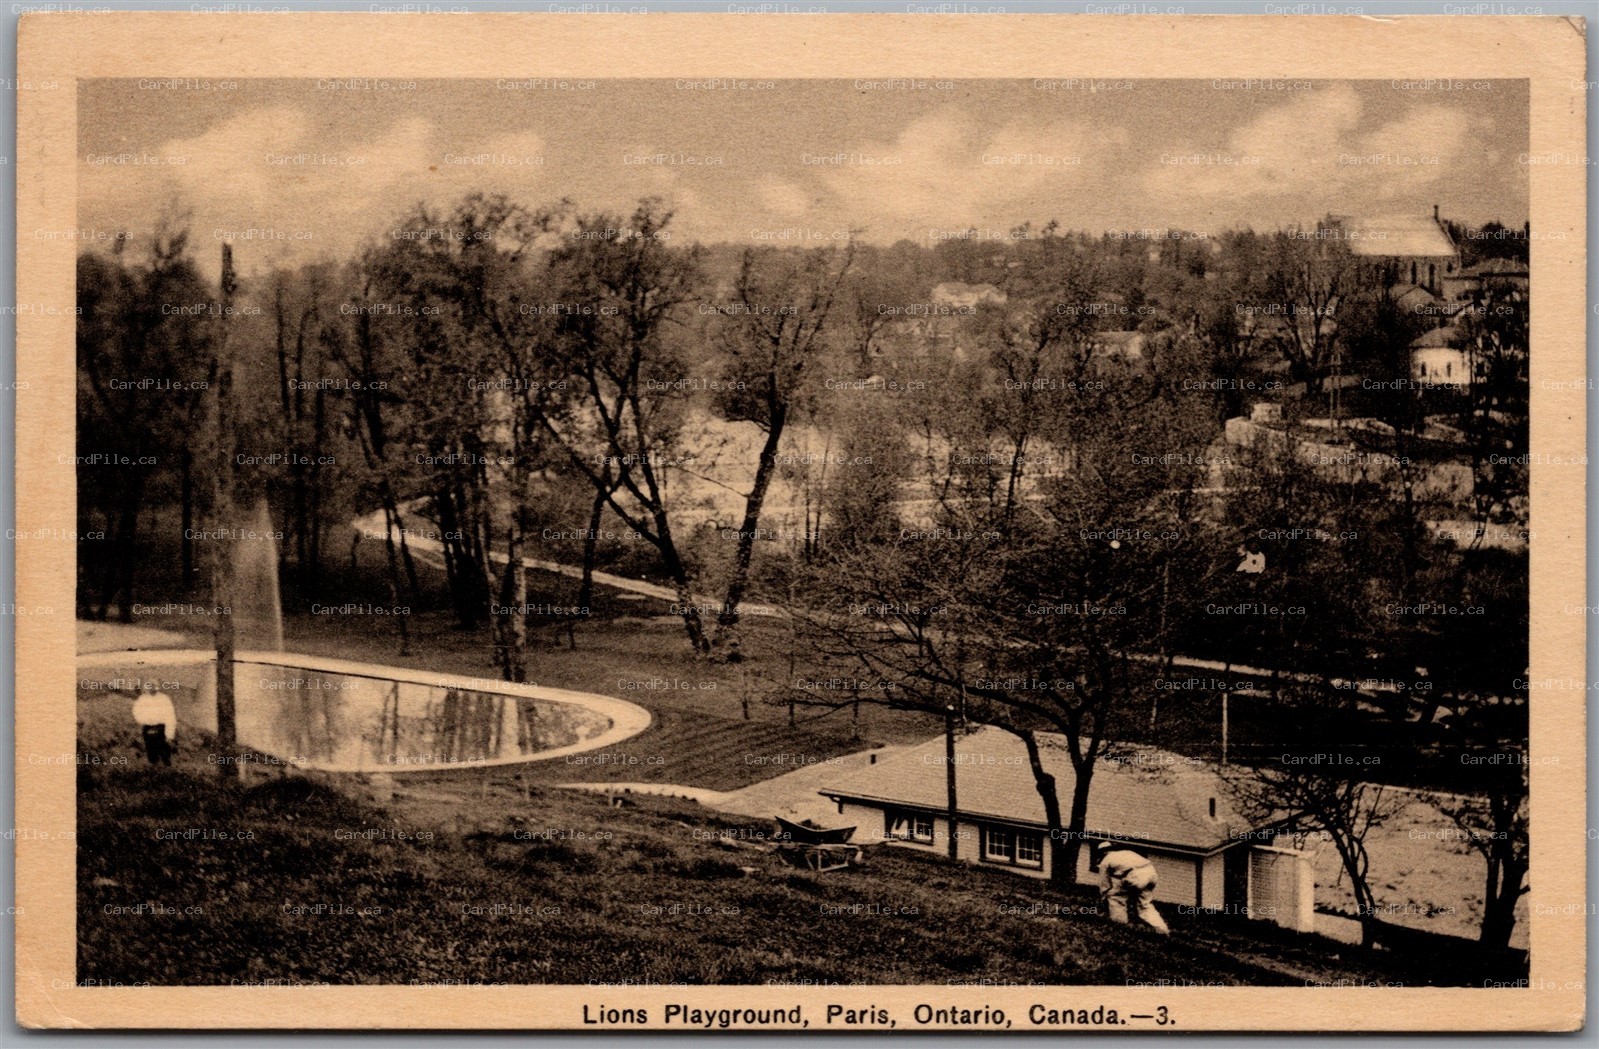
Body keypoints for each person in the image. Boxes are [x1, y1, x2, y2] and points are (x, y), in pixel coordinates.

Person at [1093, 840, 1169, 935]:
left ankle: (1120, 926)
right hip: (1151, 873)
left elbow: (1104, 884)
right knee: (1145, 905)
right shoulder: (1127, 852)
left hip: (1135, 876)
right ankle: (1162, 929)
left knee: (1116, 898)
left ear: (1102, 852)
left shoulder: (1105, 861)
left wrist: (1103, 895)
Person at [131, 683, 177, 767]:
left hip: (160, 727)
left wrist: (170, 734)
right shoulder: (143, 698)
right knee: (150, 748)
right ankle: (153, 767)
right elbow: (136, 711)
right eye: (150, 687)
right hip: (147, 726)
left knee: (163, 748)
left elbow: (170, 716)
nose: (152, 689)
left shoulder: (164, 699)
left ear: (157, 688)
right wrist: (143, 720)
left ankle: (167, 768)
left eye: (154, 687)